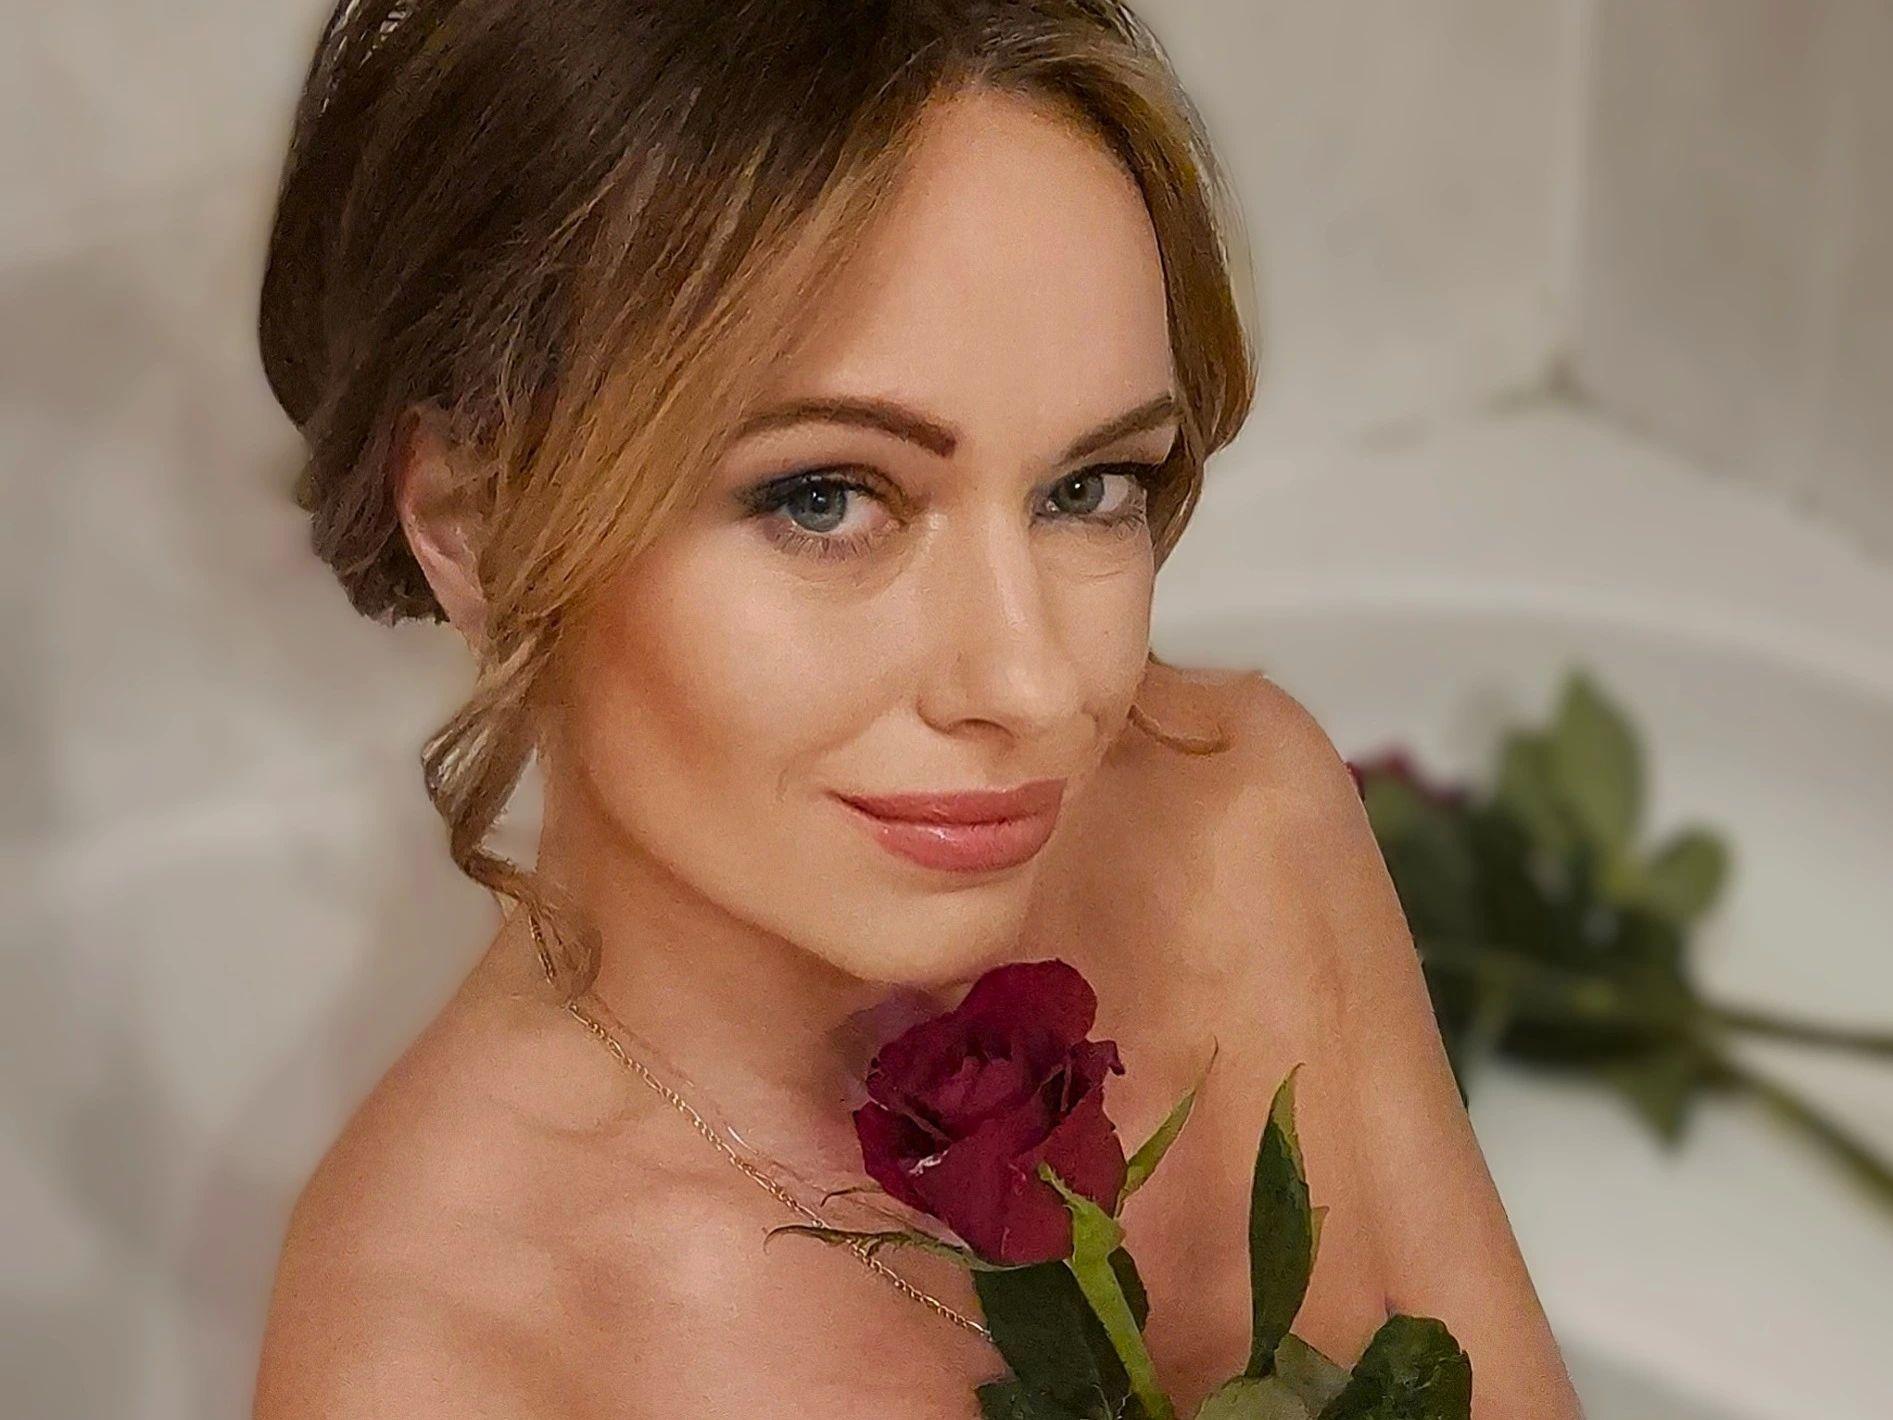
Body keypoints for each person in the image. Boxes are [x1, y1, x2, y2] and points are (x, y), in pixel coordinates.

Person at [251, 2, 1582, 1416]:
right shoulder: (438, 1351)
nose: (1031, 685)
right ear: (474, 522)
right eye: (824, 498)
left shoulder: (1240, 820)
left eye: (1088, 489)